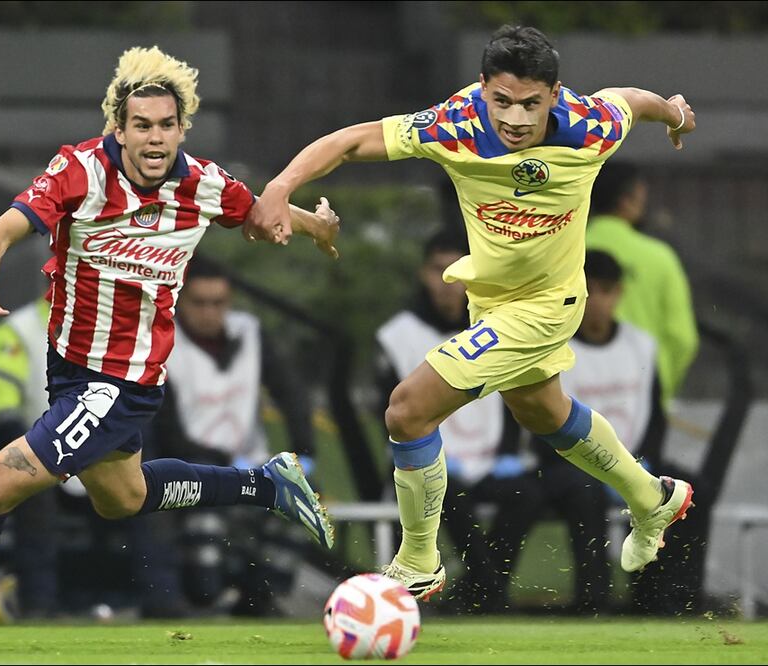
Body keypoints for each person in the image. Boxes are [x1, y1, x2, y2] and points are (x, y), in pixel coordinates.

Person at [0, 45, 339, 625]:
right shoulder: (80, 172)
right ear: (118, 130)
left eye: (166, 126)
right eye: (141, 126)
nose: (154, 139)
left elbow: (258, 213)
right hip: (70, 368)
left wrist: (312, 224)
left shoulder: (202, 184)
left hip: (121, 380)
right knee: (122, 498)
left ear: (182, 129)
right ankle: (265, 484)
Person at [250, 25, 697, 600]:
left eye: (531, 104)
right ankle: (652, 497)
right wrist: (280, 187)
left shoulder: (590, 127)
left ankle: (417, 561)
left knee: (407, 410)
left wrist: (674, 115)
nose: (514, 117)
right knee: (544, 412)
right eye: (501, 101)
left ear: (555, 96)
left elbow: (632, 101)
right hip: (490, 303)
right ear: (483, 88)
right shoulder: (456, 123)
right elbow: (353, 140)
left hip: (549, 306)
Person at [131, 260, 316, 617]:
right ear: (181, 300)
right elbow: (166, 427)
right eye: (200, 303)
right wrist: (222, 464)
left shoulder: (250, 332)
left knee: (305, 502)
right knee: (207, 536)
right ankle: (205, 598)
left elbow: (291, 392)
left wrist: (304, 451)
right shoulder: (159, 343)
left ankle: (259, 601)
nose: (209, 312)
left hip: (255, 464)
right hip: (191, 468)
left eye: (219, 303)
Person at [375, 229, 540, 613]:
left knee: (528, 495)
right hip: (428, 461)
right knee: (443, 492)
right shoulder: (396, 336)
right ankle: (488, 593)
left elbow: (514, 392)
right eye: (438, 270)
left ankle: (479, 590)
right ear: (423, 274)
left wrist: (508, 453)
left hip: (489, 463)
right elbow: (388, 414)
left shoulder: (499, 324)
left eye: (459, 271)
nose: (449, 283)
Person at [549, 250, 708, 615]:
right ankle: (594, 602)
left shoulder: (642, 345)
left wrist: (640, 466)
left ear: (618, 293)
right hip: (574, 466)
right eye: (589, 290)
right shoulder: (555, 348)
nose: (597, 301)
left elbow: (655, 415)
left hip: (637, 459)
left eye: (605, 291)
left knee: (692, 491)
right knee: (582, 492)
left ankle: (667, 601)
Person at [0, 296, 60, 619]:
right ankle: (39, 603)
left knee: (142, 482)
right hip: (33, 453)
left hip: (88, 457)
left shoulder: (109, 328)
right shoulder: (19, 329)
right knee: (33, 490)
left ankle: (159, 596)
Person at [586, 161, 698, 404]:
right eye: (641, 196)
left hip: (572, 396)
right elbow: (682, 338)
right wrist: (661, 393)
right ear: (626, 201)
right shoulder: (660, 257)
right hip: (641, 394)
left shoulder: (562, 252)